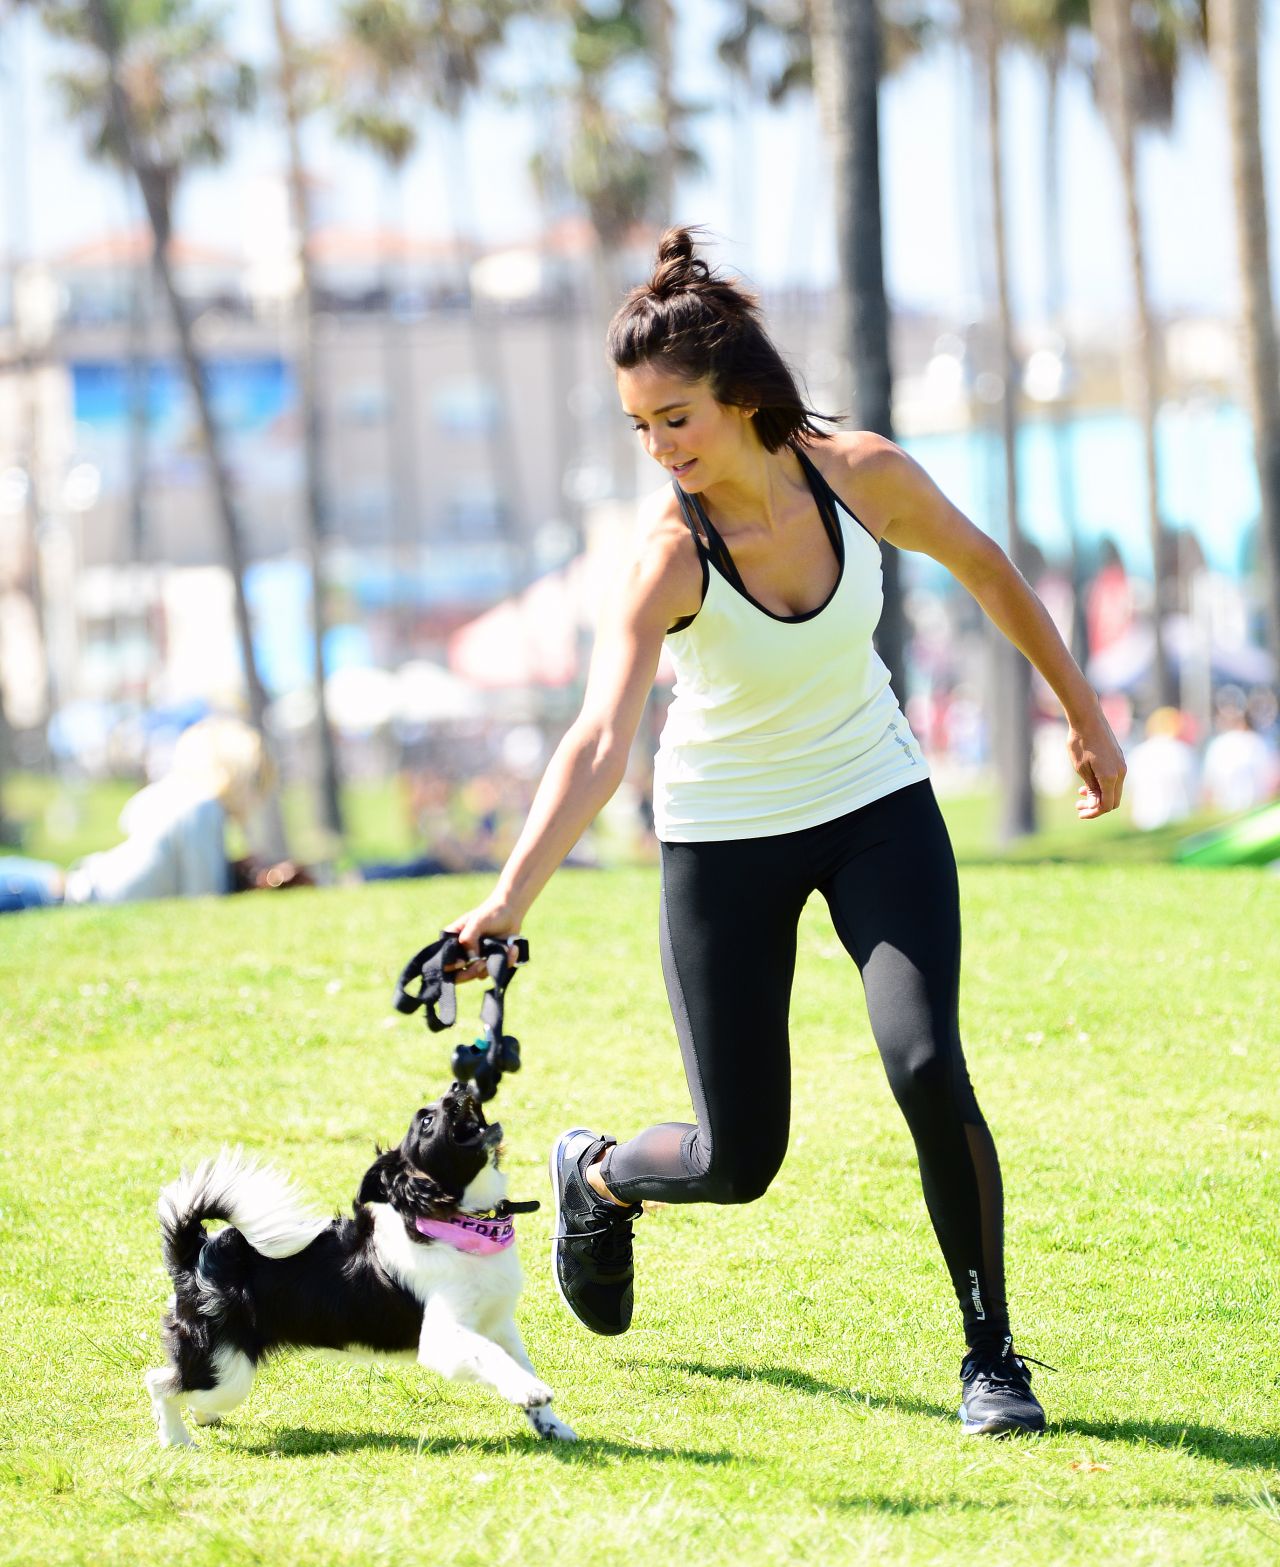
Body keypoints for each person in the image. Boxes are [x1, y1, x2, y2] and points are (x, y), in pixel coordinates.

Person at [444, 229, 1126, 1438]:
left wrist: (1083, 717)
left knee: (926, 1063)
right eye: (639, 428)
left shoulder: (859, 473)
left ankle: (991, 1356)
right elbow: (599, 741)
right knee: (736, 1156)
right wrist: (505, 902)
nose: (659, 449)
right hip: (724, 837)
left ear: (741, 396)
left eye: (675, 419)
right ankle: (594, 1174)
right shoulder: (666, 555)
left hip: (873, 802)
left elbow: (985, 568)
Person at [0, 715, 283, 912]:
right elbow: (205, 899)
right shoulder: (203, 807)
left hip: (43, 883)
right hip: (43, 894)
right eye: (257, 782)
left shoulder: (182, 795)